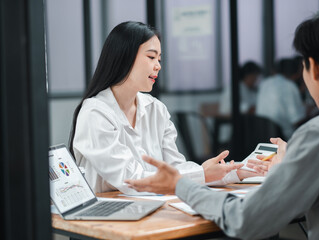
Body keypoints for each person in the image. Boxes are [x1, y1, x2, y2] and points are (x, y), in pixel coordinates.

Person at [126, 5, 319, 239]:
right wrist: (289, 169)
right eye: (151, 57)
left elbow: (246, 220)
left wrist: (179, 184)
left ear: (314, 69)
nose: (157, 65)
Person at [69, 21, 262, 195]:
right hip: (105, 222)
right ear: (124, 57)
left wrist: (234, 172)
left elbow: (175, 168)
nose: (158, 66)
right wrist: (202, 174)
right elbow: (132, 180)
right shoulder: (96, 113)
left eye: (159, 59)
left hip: (150, 208)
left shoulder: (156, 109)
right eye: (151, 57)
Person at [256, 57, 306, 139]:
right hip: (283, 137)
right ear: (295, 74)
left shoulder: (264, 83)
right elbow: (297, 119)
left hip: (262, 133)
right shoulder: (290, 86)